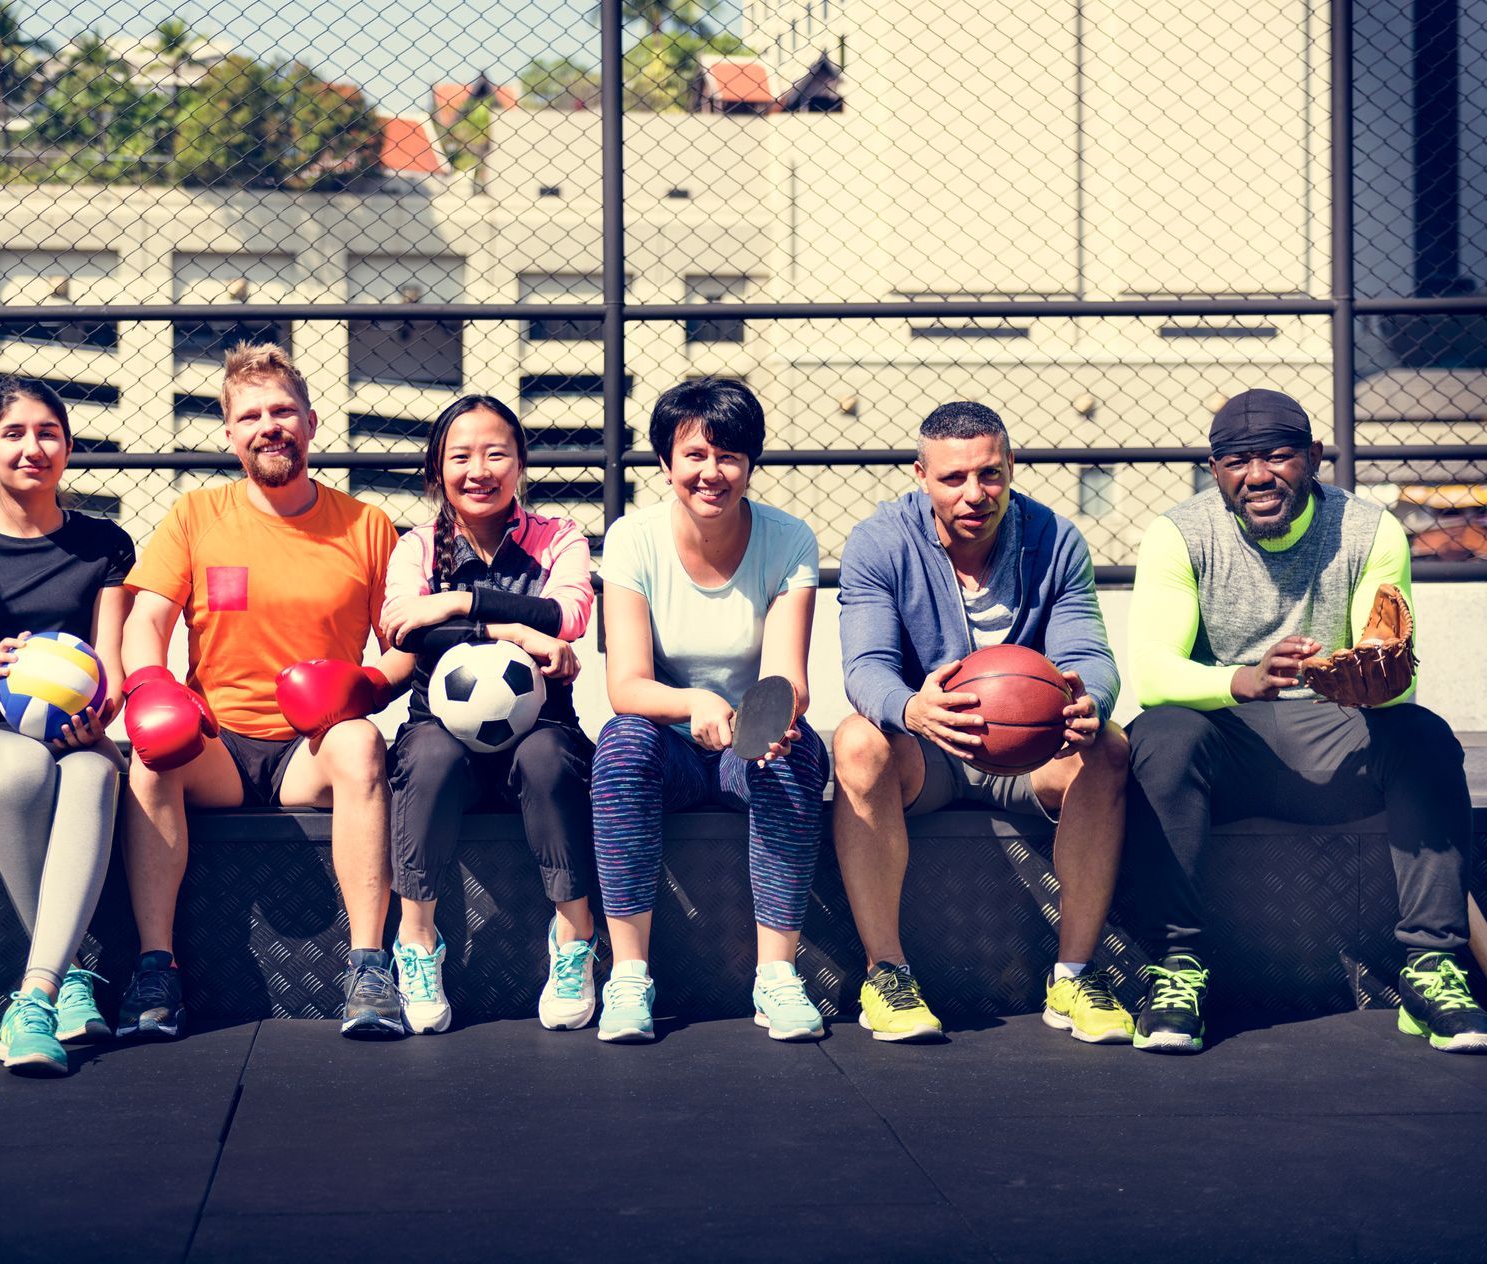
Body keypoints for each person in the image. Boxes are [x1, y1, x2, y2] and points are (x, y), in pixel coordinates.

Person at [1119, 388, 1485, 1054]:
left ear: (1313, 457)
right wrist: (1245, 679)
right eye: (1237, 462)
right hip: (1229, 737)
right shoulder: (1180, 532)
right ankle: (1176, 968)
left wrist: (1371, 679)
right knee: (1160, 735)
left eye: (1278, 456)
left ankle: (1432, 968)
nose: (1258, 476)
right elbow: (1151, 676)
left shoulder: (1371, 529)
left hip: (1333, 737)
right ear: (1214, 470)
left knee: (1425, 736)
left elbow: (1393, 675)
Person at [115, 343, 414, 1040]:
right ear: (229, 434)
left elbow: (405, 650)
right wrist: (151, 685)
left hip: (311, 744)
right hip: (217, 742)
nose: (268, 425)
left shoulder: (366, 525)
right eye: (250, 415)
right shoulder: (195, 515)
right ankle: (156, 968)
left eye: (283, 411)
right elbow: (146, 621)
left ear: (311, 422)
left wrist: (366, 683)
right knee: (147, 755)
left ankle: (369, 967)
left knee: (364, 745)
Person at [833, 401, 1131, 1044]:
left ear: (1011, 467)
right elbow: (865, 667)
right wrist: (911, 708)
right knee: (856, 741)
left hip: (1028, 750)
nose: (976, 493)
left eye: (990, 474)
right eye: (953, 478)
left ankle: (1075, 975)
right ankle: (886, 973)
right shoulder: (880, 540)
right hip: (930, 748)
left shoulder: (1055, 539)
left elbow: (1089, 657)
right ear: (920, 474)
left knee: (1108, 745)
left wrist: (1090, 701)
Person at [591, 377, 830, 1043]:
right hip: (668, 741)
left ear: (750, 464)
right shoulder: (630, 540)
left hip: (745, 746)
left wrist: (768, 723)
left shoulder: (789, 541)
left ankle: (776, 976)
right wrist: (695, 701)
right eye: (694, 455)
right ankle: (630, 975)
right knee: (620, 744)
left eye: (729, 456)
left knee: (801, 752)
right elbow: (627, 684)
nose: (712, 472)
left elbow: (788, 679)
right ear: (666, 464)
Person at [0, 379, 135, 1076]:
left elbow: (115, 672)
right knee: (24, 769)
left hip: (69, 741)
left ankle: (37, 993)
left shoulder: (105, 544)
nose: (32, 447)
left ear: (68, 448)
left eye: (47, 433)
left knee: (98, 769)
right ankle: (63, 976)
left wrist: (96, 717)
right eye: (13, 434)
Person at [378, 395, 598, 1034]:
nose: (480, 469)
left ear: (521, 463)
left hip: (541, 724)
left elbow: (569, 617)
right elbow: (402, 630)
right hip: (438, 725)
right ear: (436, 469)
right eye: (461, 456)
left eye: (496, 453)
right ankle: (417, 944)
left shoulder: (560, 537)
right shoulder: (416, 546)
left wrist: (456, 605)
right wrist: (519, 633)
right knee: (426, 759)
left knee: (548, 760)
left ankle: (574, 937)